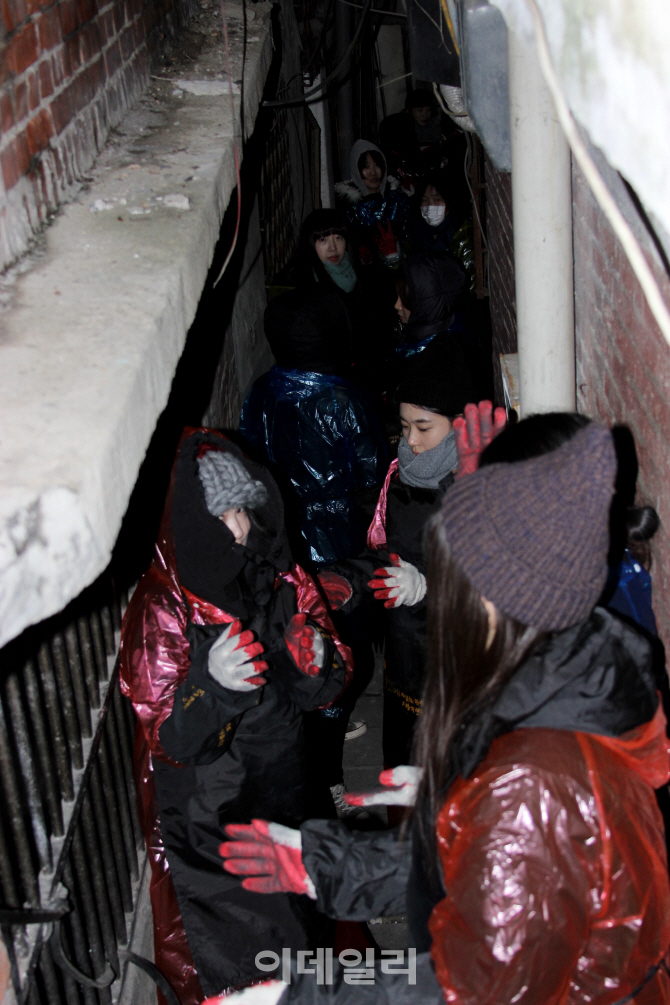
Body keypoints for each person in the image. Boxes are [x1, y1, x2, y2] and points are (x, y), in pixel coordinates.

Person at [211, 422, 670, 1005]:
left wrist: (296, 997)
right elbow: (501, 882)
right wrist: (330, 866)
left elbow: (470, 991)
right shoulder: (576, 668)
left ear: (487, 598)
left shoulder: (531, 783)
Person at [119, 428, 351, 999]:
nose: (242, 529)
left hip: (286, 788)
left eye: (244, 509)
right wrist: (212, 687)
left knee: (302, 931)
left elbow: (324, 689)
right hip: (211, 820)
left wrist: (316, 661)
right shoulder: (162, 609)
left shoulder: (272, 572)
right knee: (243, 958)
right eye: (223, 515)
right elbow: (169, 740)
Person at [318, 342, 490, 771]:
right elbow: (386, 556)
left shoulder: (482, 488)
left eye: (423, 427)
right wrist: (346, 580)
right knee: (405, 758)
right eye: (404, 425)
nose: (409, 440)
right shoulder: (401, 477)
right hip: (406, 650)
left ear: (459, 425)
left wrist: (430, 589)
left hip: (458, 656)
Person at [239, 289, 387, 567]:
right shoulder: (346, 400)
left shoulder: (260, 391)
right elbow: (373, 474)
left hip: (283, 529)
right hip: (342, 532)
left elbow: (250, 455)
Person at [335, 140, 410, 268]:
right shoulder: (350, 208)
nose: (373, 172)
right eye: (366, 167)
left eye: (376, 165)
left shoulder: (397, 199)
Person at [379, 89, 445, 186]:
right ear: (409, 111)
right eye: (419, 110)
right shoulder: (401, 129)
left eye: (428, 110)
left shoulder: (435, 127)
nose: (424, 114)